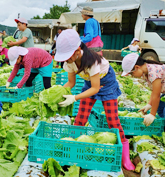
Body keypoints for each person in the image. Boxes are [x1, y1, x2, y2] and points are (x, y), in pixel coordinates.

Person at [54, 29, 135, 171]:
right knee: (80, 118)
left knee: (113, 121)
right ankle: (72, 149)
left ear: (78, 50)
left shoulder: (92, 61)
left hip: (107, 84)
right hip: (89, 84)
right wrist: (58, 92)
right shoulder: (70, 63)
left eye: (68, 56)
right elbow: (71, 83)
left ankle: (124, 155)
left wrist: (74, 97)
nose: (66, 60)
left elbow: (95, 88)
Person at [121, 53, 164, 126]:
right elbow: (154, 91)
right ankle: (162, 124)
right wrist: (149, 104)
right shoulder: (148, 72)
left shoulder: (153, 72)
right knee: (160, 107)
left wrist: (152, 114)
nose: (132, 76)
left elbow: (156, 95)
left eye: (132, 74)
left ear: (137, 67)